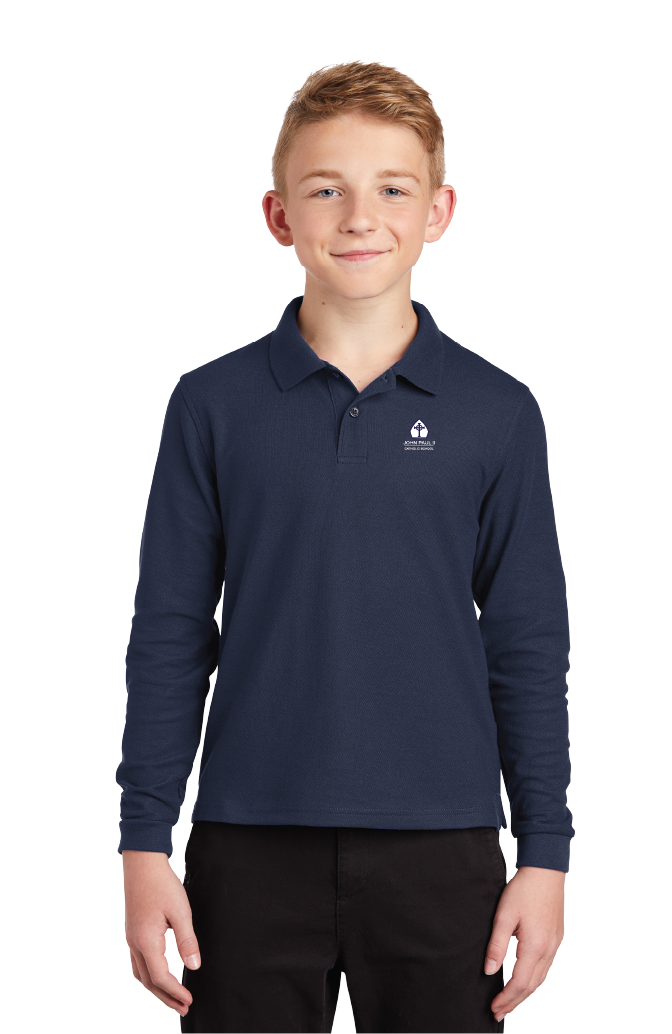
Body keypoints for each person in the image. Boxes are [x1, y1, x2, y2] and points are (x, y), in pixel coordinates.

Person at [116, 61, 574, 1033]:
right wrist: (142, 840)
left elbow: (527, 644)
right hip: (248, 844)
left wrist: (546, 851)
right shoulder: (212, 405)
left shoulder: (497, 411)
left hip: (444, 847)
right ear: (279, 216)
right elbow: (170, 633)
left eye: (393, 189)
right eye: (326, 190)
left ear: (439, 211)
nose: (361, 216)